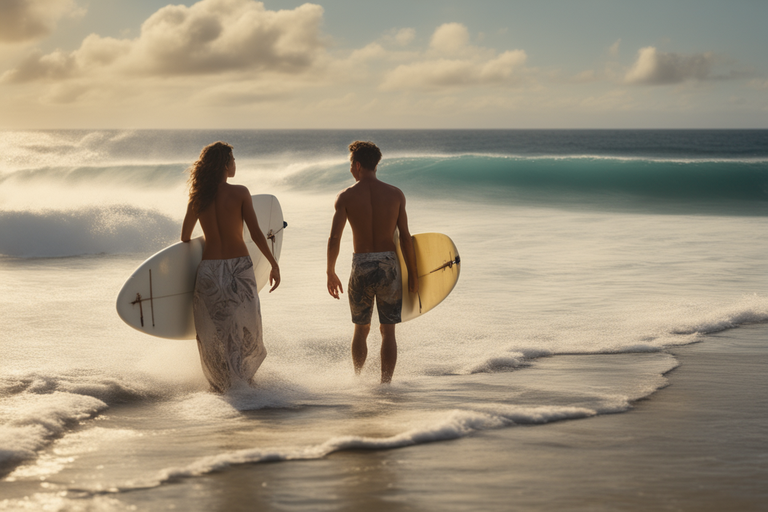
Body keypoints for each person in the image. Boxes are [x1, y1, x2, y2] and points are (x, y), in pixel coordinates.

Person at [181, 141, 280, 392]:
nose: (235, 164)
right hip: (239, 269)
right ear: (226, 164)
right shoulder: (240, 193)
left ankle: (221, 386)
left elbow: (184, 236)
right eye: (233, 160)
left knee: (214, 330)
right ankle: (245, 381)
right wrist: (273, 263)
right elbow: (257, 234)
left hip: (209, 271)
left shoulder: (198, 196)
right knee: (248, 325)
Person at [326, 141, 418, 384]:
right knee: (388, 331)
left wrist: (330, 271)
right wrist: (414, 275)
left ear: (357, 165)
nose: (350, 169)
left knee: (361, 328)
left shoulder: (346, 196)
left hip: (362, 265)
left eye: (350, 165)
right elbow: (406, 238)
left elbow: (335, 237)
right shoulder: (396, 194)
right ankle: (385, 386)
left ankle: (358, 380)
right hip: (389, 264)